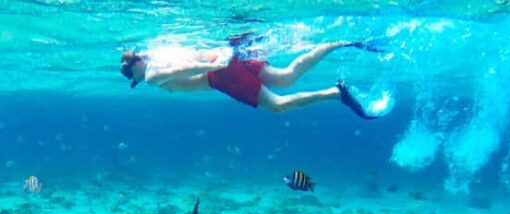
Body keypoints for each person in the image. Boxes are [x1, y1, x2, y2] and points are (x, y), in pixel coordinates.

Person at [120, 35, 391, 118]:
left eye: (130, 73)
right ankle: (341, 43)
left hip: (222, 75)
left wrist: (216, 65)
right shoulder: (161, 53)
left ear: (135, 66)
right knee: (286, 76)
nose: (135, 79)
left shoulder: (152, 73)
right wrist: (224, 57)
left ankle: (335, 93)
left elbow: (182, 70)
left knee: (278, 105)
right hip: (227, 59)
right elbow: (185, 61)